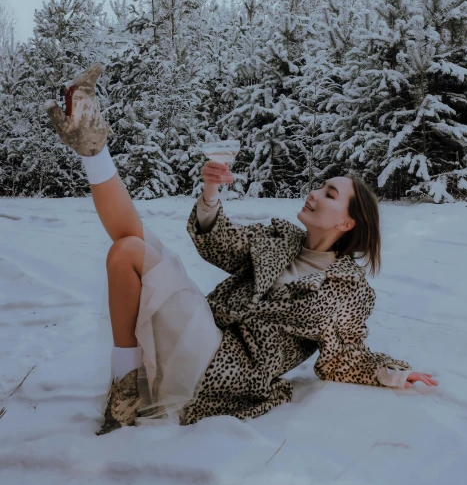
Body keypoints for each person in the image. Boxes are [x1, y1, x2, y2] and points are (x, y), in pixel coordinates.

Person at [45, 63, 438, 435]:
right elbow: (219, 245)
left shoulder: (349, 290)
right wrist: (211, 193)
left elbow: (344, 356)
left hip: (228, 368)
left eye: (329, 193)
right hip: (202, 333)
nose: (314, 192)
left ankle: (125, 390)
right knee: (128, 248)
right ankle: (93, 148)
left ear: (346, 223)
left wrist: (396, 374)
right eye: (320, 185)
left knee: (131, 251)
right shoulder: (280, 238)